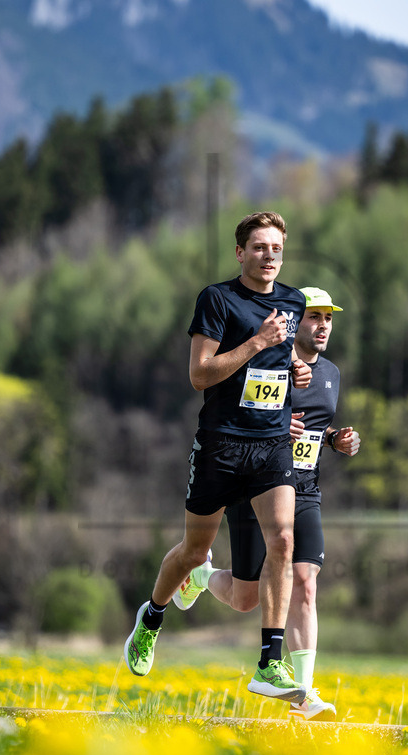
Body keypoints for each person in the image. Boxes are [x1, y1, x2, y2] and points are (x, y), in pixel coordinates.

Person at [123, 211, 313, 704]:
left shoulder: (294, 301)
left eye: (276, 248)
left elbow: (277, 361)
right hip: (221, 444)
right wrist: (257, 342)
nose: (268, 256)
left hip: (270, 443)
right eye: (258, 247)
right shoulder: (218, 299)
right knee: (192, 551)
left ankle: (271, 663)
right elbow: (201, 375)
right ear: (240, 253)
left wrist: (293, 367)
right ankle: (154, 615)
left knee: (285, 541)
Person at [172, 286, 359, 721]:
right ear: (293, 323)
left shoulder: (331, 372)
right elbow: (240, 411)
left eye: (328, 318)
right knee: (244, 599)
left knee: (306, 582)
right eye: (314, 317)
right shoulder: (266, 364)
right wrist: (275, 430)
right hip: (258, 482)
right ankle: (201, 574)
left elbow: (317, 428)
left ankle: (304, 694)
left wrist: (337, 440)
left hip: (304, 488)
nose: (323, 325)